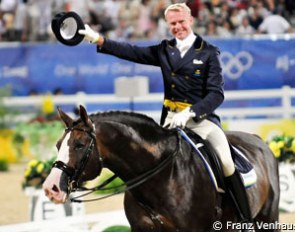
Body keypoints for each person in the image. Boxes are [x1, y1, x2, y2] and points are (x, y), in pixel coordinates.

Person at [79, 2, 252, 226]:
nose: (178, 26)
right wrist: (99, 39)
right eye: (173, 23)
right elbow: (132, 52)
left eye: (181, 22)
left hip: (201, 122)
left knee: (226, 161)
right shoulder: (164, 50)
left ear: (190, 20)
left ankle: (244, 218)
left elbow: (216, 94)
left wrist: (191, 112)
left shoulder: (208, 53)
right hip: (170, 122)